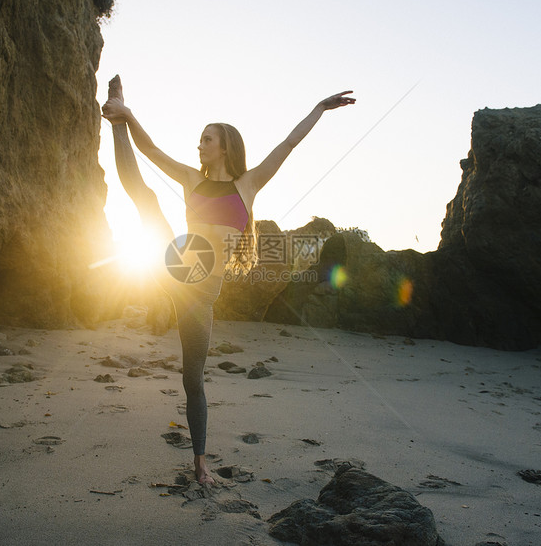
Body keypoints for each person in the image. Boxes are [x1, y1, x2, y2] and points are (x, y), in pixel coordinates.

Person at [101, 76, 354, 484]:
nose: (199, 144)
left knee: (192, 378)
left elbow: (288, 145)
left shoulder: (247, 185)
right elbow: (148, 150)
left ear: (225, 146)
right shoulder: (190, 179)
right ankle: (114, 115)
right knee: (144, 197)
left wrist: (319, 109)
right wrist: (126, 116)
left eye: (206, 139)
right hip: (177, 267)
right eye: (200, 138)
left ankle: (200, 464)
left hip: (200, 296)